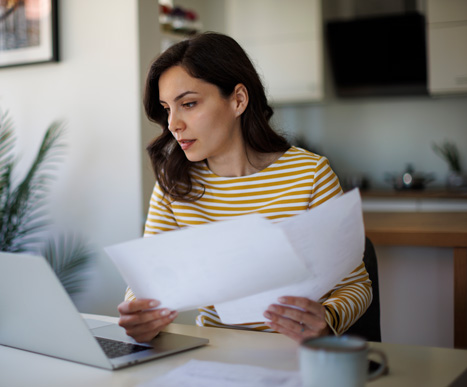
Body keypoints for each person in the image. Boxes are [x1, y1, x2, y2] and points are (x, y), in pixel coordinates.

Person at [117, 32, 372, 343]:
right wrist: (139, 312)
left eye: (189, 104)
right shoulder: (174, 184)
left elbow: (356, 285)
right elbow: (147, 284)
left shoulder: (310, 174)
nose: (173, 124)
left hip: (292, 354)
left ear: (238, 99)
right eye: (167, 109)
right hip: (211, 356)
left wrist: (327, 320)